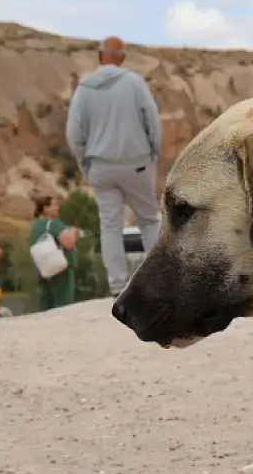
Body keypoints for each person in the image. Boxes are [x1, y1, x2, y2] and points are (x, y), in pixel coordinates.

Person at [66, 35, 162, 295]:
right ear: (122, 58)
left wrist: (85, 163)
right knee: (148, 221)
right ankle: (159, 281)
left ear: (99, 56)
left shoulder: (84, 88)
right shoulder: (133, 83)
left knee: (110, 225)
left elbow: (74, 134)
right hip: (136, 163)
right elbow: (152, 122)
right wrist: (153, 151)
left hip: (101, 166)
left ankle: (118, 285)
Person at [28, 195, 81, 311]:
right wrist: (73, 232)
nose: (58, 207)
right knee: (63, 303)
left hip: (43, 269)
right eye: (54, 205)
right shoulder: (52, 223)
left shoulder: (35, 225)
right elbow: (68, 242)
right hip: (59, 268)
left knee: (45, 303)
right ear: (45, 208)